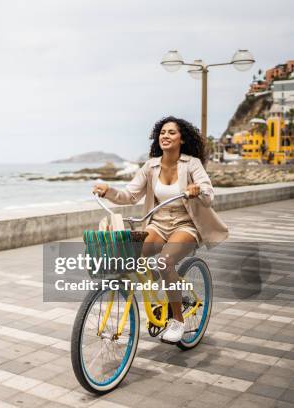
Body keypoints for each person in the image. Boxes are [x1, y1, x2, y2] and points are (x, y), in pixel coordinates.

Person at [93, 116, 228, 343]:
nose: (165, 136)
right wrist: (108, 190)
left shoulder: (192, 164)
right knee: (131, 256)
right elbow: (130, 195)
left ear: (182, 139)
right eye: (163, 132)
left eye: (172, 133)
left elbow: (209, 193)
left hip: (186, 225)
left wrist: (197, 190)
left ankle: (177, 320)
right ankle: (162, 290)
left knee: (165, 262)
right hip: (158, 223)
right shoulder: (151, 166)